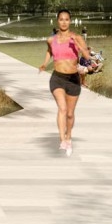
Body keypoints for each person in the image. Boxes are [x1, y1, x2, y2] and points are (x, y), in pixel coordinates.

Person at [38, 9, 92, 157]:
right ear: (57, 21)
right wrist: (44, 64)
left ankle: (69, 137)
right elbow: (49, 51)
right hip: (57, 78)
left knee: (69, 114)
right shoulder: (51, 39)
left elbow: (87, 56)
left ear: (70, 21)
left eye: (66, 19)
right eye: (61, 19)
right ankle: (62, 140)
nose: (64, 22)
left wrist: (79, 46)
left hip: (73, 79)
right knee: (62, 109)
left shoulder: (77, 37)